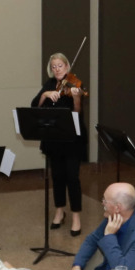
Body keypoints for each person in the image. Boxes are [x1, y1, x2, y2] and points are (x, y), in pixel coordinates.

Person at [32, 52, 85, 236]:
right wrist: (45, 94)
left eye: (60, 66)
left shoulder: (75, 83)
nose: (56, 69)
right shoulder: (48, 84)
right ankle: (60, 210)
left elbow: (77, 112)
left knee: (72, 177)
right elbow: (35, 106)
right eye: (53, 66)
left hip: (72, 139)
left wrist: (76, 97)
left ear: (67, 66)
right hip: (54, 139)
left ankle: (76, 216)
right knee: (57, 176)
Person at [68, 183, 135, 270]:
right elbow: (92, 240)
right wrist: (77, 265)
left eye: (105, 201)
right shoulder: (113, 219)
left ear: (117, 208)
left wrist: (109, 236)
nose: (102, 203)